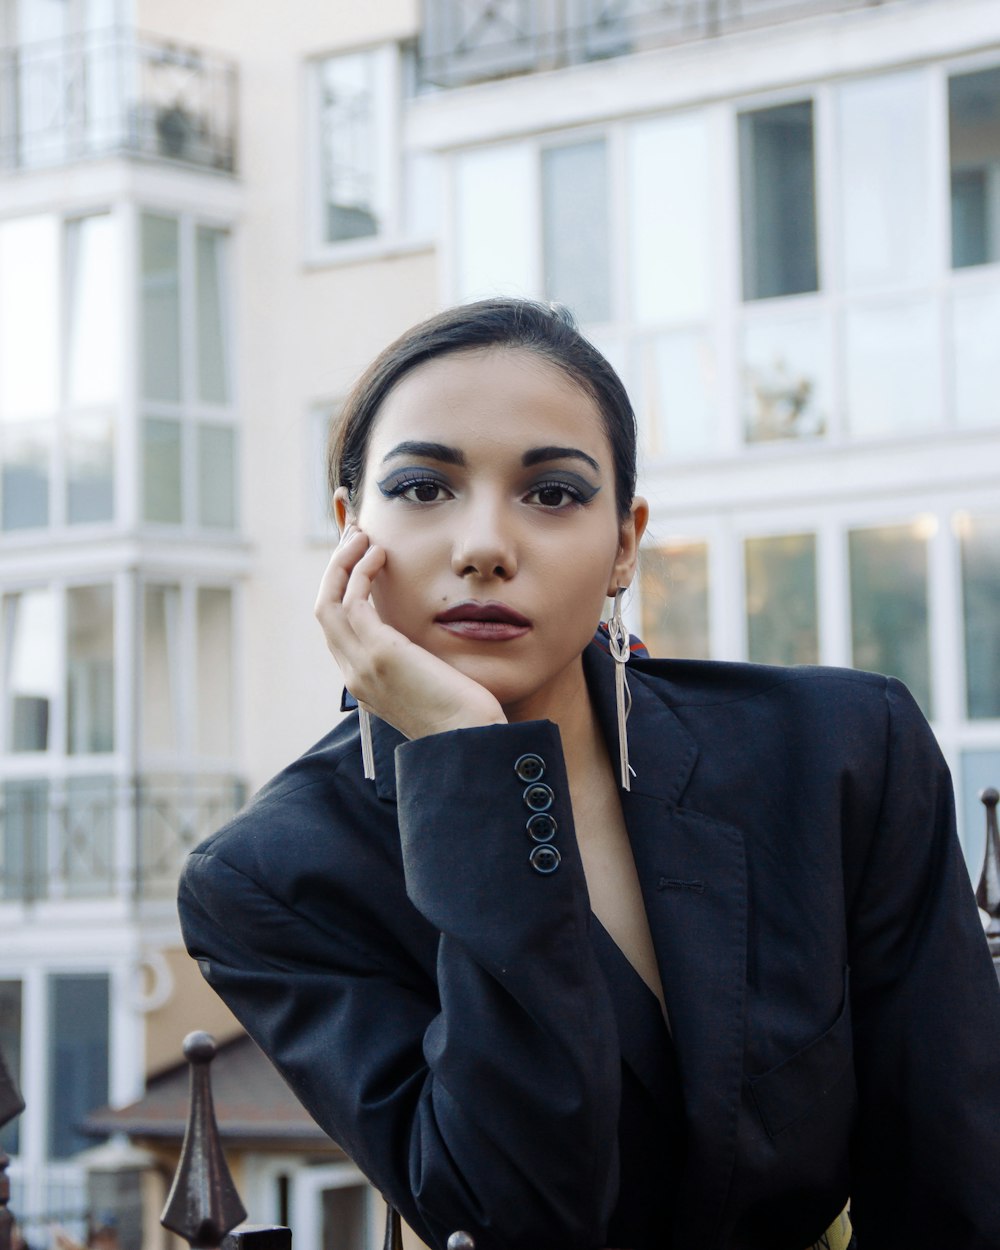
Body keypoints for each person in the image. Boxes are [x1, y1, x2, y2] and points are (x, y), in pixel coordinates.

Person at [178, 298, 1000, 1250]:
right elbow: (517, 1210)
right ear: (349, 532)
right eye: (423, 488)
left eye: (554, 493)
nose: (484, 545)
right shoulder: (271, 879)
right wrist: (466, 762)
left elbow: (954, 1183)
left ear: (624, 543)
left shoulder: (840, 755)